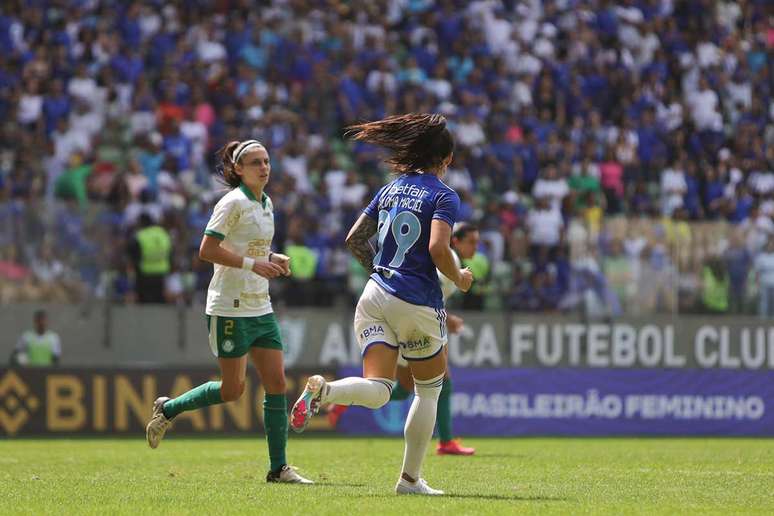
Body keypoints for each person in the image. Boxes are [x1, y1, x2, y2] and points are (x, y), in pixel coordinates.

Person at [289, 114, 473, 495]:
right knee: (428, 391)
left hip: (374, 295)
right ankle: (409, 480)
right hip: (417, 302)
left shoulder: (389, 189)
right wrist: (459, 277)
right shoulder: (444, 195)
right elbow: (439, 249)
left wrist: (384, 273)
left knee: (380, 388)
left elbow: (354, 238)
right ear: (448, 159)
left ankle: (325, 391)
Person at [145, 139, 312, 484]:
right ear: (238, 169)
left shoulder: (266, 203)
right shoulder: (232, 202)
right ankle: (169, 409)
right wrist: (254, 264)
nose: (264, 167)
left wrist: (273, 258)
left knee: (277, 382)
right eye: (255, 162)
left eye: (266, 161)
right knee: (233, 390)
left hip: (260, 305)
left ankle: (278, 468)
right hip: (230, 306)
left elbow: (251, 246)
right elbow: (207, 249)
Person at [327, 222, 480, 456]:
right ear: (455, 241)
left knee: (400, 389)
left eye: (477, 242)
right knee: (441, 380)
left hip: (397, 313)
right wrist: (447, 320)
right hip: (410, 320)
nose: (475, 247)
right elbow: (424, 296)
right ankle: (446, 441)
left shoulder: (445, 259)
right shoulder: (449, 260)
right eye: (471, 241)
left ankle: (345, 397)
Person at [128, 213, 172, 303]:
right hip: (161, 273)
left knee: (144, 302)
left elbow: (134, 256)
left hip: (144, 274)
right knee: (159, 300)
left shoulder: (140, 235)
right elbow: (170, 252)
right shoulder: (163, 233)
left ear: (141, 223)